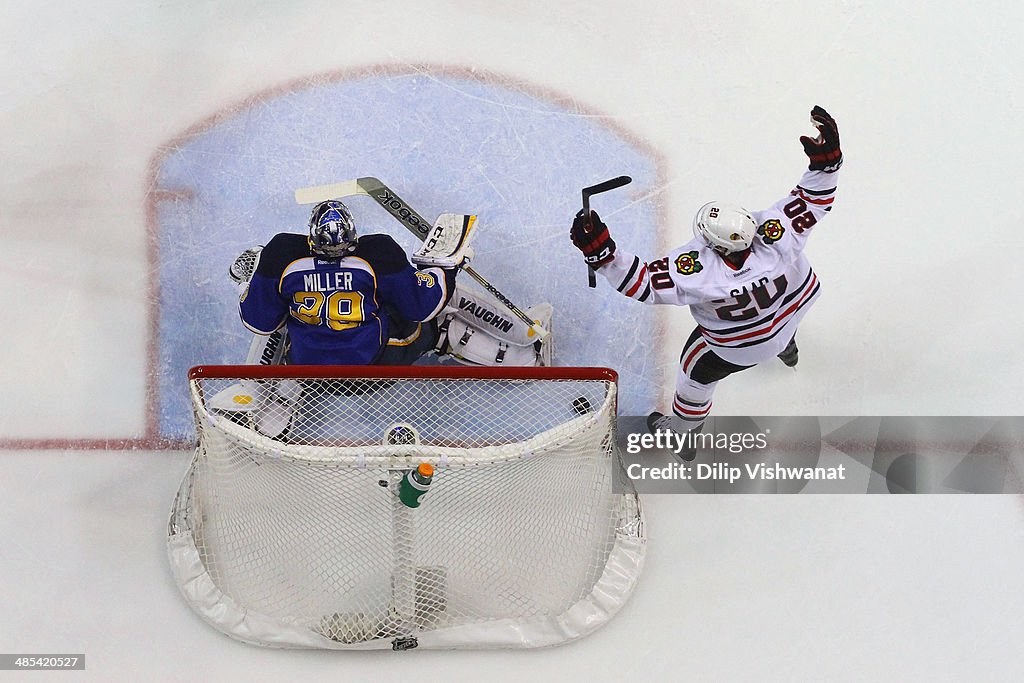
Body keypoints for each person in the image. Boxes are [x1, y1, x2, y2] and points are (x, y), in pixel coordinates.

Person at [571, 106, 842, 460]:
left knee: (694, 374)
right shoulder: (777, 234)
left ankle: (682, 432)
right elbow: (812, 201)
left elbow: (642, 284)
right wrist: (827, 164)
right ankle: (786, 348)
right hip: (794, 307)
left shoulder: (699, 272)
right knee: (782, 321)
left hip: (742, 344)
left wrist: (602, 254)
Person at [236, 200, 458, 366]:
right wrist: (445, 268)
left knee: (281, 317)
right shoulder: (379, 252)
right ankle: (449, 339)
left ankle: (279, 399)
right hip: (371, 368)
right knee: (426, 321)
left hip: (305, 374)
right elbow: (422, 306)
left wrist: (248, 284)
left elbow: (260, 323)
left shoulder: (281, 253)